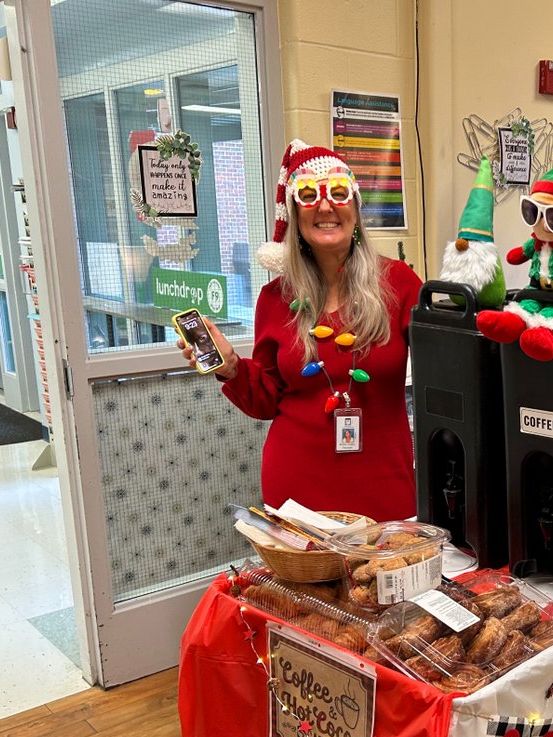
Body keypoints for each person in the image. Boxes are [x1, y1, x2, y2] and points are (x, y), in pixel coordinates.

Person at [178, 141, 422, 522]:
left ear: (356, 207)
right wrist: (229, 366)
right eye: (308, 195)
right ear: (294, 215)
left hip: (383, 484)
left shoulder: (400, 285)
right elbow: (265, 401)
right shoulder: (275, 299)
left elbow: (445, 373)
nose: (325, 207)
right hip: (297, 492)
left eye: (338, 193)